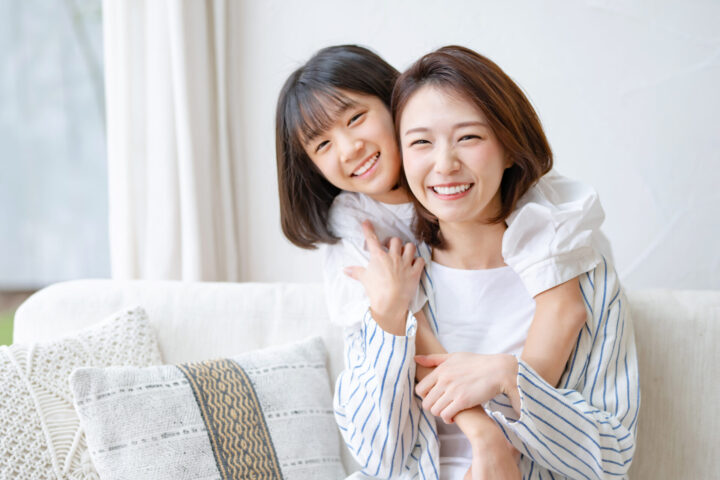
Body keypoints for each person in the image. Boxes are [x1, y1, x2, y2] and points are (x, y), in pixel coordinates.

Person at [275, 45, 613, 479]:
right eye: (322, 144)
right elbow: (413, 331)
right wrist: (482, 431)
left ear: (395, 105)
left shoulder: (526, 208)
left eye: (355, 118)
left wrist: (505, 432)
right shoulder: (359, 225)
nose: (349, 148)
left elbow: (563, 306)